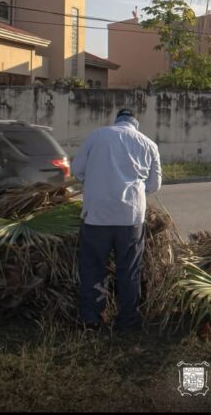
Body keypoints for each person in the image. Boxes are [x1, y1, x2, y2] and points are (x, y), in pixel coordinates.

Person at [71, 108, 162, 331]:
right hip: (131, 218)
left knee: (93, 266)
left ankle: (92, 319)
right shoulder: (149, 144)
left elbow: (77, 170)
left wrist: (95, 179)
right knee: (129, 269)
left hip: (96, 216)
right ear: (135, 124)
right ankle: (128, 321)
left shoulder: (97, 136)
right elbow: (154, 185)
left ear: (117, 121)